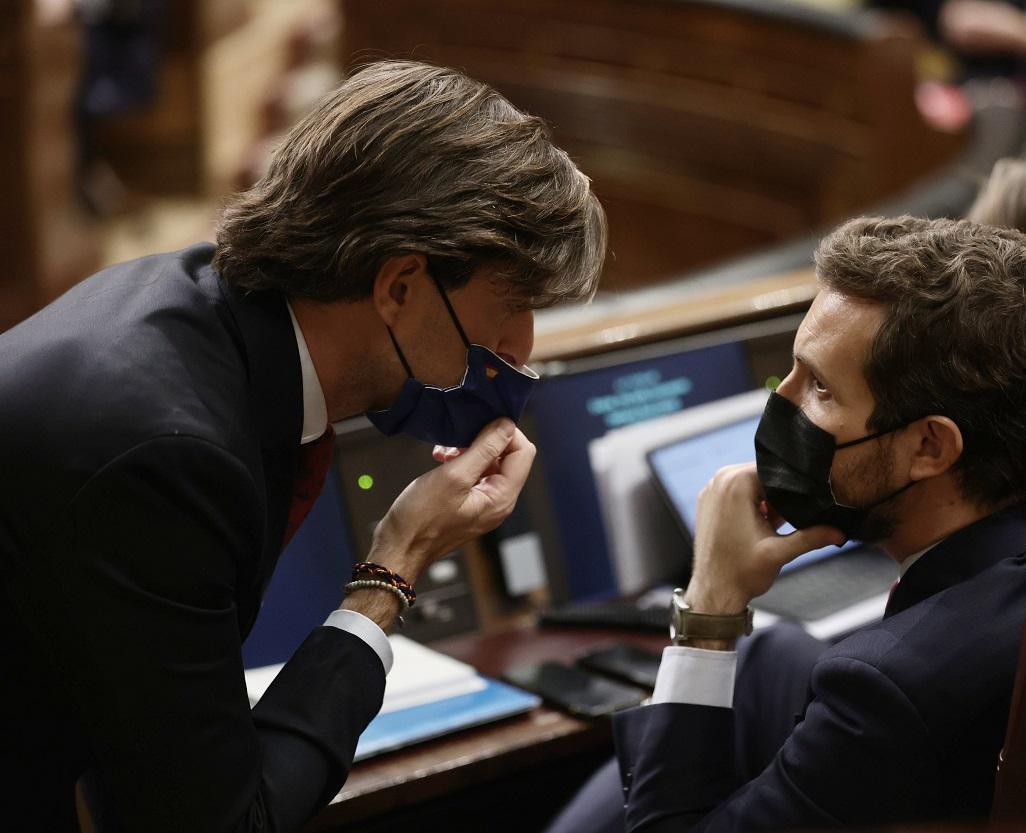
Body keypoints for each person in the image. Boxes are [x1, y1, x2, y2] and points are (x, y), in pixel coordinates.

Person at [0, 60, 605, 832]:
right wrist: (394, 568)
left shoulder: (212, 311)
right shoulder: (168, 455)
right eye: (515, 302)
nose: (522, 348)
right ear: (399, 286)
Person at [545, 216, 1026, 833]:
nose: (780, 401)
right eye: (789, 372)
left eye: (822, 390)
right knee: (767, 654)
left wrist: (711, 604)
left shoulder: (887, 688)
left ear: (930, 447)